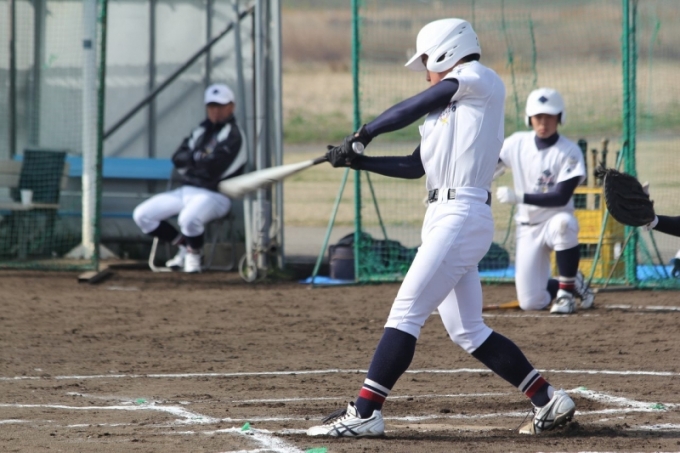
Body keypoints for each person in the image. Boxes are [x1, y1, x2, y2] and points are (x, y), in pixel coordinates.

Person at [306, 18, 576, 438]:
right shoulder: (445, 113)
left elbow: (419, 101)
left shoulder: (480, 80)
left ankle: (366, 412)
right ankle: (547, 399)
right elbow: (414, 165)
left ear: (447, 52)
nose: (426, 73)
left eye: (427, 63)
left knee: (406, 311)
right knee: (468, 330)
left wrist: (365, 133)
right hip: (443, 216)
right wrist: (359, 161)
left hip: (462, 213)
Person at [494, 88, 595, 314]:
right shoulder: (516, 143)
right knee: (531, 302)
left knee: (564, 224)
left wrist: (519, 197)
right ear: (529, 118)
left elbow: (561, 196)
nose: (543, 122)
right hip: (527, 227)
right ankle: (573, 281)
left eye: (549, 116)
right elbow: (487, 166)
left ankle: (566, 295)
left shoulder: (569, 151)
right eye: (538, 116)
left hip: (554, 220)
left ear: (560, 117)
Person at [133, 83, 246, 273]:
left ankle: (194, 255)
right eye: (211, 106)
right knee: (143, 215)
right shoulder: (200, 130)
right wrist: (199, 159)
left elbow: (214, 166)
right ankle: (185, 246)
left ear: (231, 106)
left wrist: (194, 160)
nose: (215, 111)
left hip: (216, 194)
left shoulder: (234, 134)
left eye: (220, 106)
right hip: (187, 189)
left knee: (188, 218)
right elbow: (178, 158)